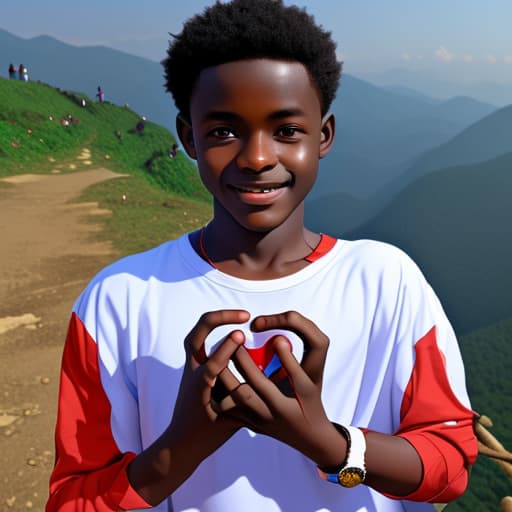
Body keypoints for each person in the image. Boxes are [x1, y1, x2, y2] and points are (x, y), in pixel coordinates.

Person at [46, 1, 478, 511]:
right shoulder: (116, 302)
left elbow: (449, 460)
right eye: (224, 131)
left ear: (324, 136)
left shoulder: (388, 282)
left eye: (287, 131)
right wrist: (177, 450)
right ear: (188, 136)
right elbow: (73, 498)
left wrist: (331, 444)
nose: (256, 157)